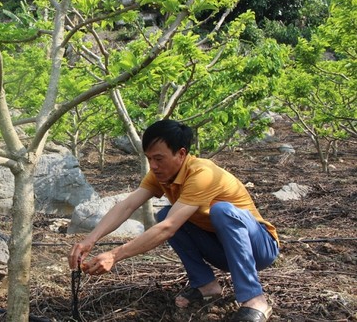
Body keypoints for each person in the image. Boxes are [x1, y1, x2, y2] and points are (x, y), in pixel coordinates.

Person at [68, 120, 279, 322]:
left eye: (159, 159)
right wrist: (90, 240)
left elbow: (168, 229)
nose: (153, 166)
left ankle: (255, 299)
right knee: (165, 214)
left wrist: (115, 255)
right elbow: (127, 205)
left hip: (259, 248)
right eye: (149, 158)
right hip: (223, 250)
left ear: (181, 154)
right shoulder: (160, 174)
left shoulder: (202, 173)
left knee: (220, 211)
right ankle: (206, 285)